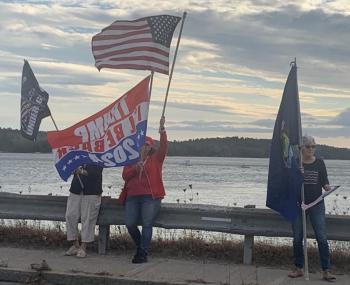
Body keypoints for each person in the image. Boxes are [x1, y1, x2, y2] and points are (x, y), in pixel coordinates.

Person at [119, 116, 168, 263]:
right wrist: (135, 169)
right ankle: (142, 246)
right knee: (130, 224)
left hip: (150, 197)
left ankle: (142, 252)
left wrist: (162, 130)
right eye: (143, 144)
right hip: (133, 196)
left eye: (148, 145)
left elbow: (164, 147)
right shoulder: (132, 159)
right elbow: (125, 176)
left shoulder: (156, 159)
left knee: (147, 224)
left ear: (152, 147)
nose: (145, 147)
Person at [288, 135, 336, 282]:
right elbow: (289, 185)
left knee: (321, 237)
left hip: (316, 204)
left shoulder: (320, 163)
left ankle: (326, 270)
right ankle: (299, 268)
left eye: (313, 146)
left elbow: (324, 182)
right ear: (301, 148)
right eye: (308, 146)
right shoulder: (296, 163)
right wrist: (298, 175)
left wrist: (328, 188)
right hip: (299, 205)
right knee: (297, 238)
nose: (311, 149)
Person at [65, 164, 103, 258]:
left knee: (88, 219)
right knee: (70, 215)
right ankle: (75, 244)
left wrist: (81, 171)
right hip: (76, 190)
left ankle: (83, 246)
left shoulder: (98, 155)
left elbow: (95, 173)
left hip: (92, 191)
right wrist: (72, 169)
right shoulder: (76, 155)